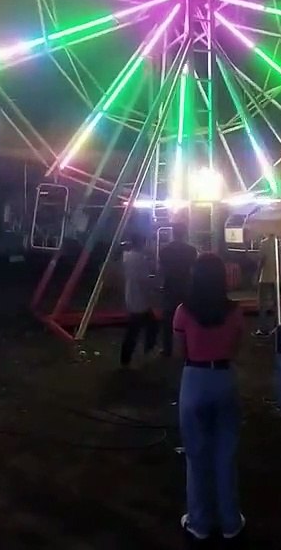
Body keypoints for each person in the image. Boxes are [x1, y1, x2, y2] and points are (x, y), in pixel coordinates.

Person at [173, 253, 246, 541]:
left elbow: (182, 350)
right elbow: (238, 346)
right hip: (224, 377)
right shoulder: (235, 311)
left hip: (194, 378)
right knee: (226, 454)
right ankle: (231, 522)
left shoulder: (183, 311)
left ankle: (199, 522)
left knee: (196, 454)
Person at [157, 223, 198, 357]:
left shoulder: (164, 250)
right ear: (185, 234)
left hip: (169, 287)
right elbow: (194, 270)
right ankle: (188, 348)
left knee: (167, 321)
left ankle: (167, 349)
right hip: (186, 287)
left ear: (173, 233)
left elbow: (161, 270)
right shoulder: (191, 250)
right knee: (188, 319)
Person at [119, 234, 158, 367]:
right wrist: (152, 290)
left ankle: (129, 356)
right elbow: (144, 280)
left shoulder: (127, 256)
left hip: (131, 295)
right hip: (140, 298)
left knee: (142, 327)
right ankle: (139, 353)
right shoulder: (140, 259)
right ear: (142, 244)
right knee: (137, 329)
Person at [252, 234, 281, 337]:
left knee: (262, 304)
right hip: (276, 277)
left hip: (265, 277)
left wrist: (257, 274)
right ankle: (276, 327)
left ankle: (263, 329)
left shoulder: (264, 243)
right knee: (276, 304)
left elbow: (262, 260)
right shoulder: (278, 242)